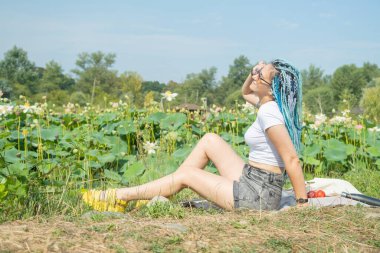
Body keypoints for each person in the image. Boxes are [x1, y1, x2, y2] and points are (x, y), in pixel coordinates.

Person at [82, 59, 308, 212]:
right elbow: (245, 92)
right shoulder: (267, 103)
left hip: (258, 197)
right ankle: (155, 194)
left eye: (261, 76)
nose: (256, 76)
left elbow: (291, 159)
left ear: (272, 88)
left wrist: (302, 203)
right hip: (252, 178)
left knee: (187, 175)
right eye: (257, 72)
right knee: (210, 139)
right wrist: (253, 72)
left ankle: (117, 196)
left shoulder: (270, 112)